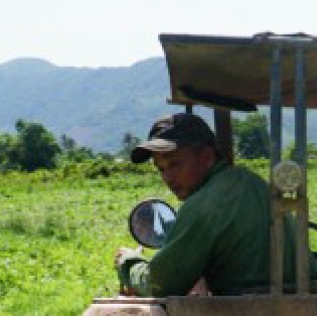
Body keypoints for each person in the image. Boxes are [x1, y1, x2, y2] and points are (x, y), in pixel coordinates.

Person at [114, 113, 272, 297]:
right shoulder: (253, 182)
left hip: (251, 309)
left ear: (207, 157)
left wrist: (129, 264)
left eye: (174, 164)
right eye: (161, 169)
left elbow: (159, 285)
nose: (168, 178)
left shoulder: (202, 206)